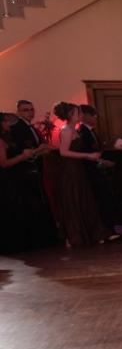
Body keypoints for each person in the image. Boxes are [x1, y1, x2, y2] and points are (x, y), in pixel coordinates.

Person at [56, 103, 113, 248]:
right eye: (78, 113)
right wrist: (87, 155)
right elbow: (63, 152)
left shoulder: (74, 130)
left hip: (78, 168)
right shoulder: (66, 130)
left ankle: (89, 233)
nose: (80, 115)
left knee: (84, 199)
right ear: (70, 115)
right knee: (74, 199)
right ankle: (75, 235)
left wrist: (93, 158)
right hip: (70, 169)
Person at [2, 101, 56, 250]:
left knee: (39, 201)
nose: (30, 112)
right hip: (23, 173)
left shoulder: (31, 128)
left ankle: (43, 237)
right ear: (19, 112)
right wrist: (38, 150)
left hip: (35, 169)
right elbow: (18, 153)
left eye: (32, 109)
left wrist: (42, 150)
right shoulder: (17, 129)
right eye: (26, 110)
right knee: (30, 203)